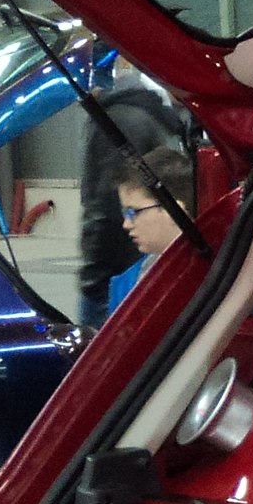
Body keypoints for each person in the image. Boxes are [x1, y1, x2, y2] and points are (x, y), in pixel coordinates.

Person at [75, 61, 186, 328]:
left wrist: (94, 278)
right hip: (139, 262)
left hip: (117, 273)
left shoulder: (119, 119)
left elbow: (108, 207)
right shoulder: (152, 112)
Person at [104, 149, 198, 307]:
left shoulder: (217, 278)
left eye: (134, 212)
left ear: (174, 211)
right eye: (125, 212)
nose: (126, 224)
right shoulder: (125, 285)